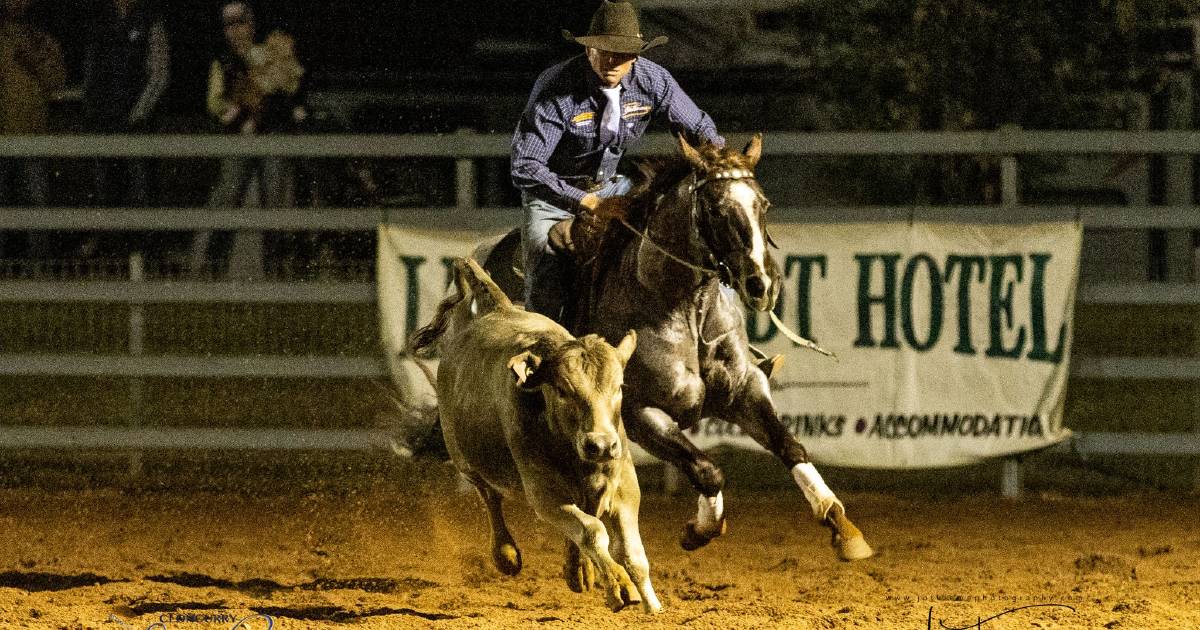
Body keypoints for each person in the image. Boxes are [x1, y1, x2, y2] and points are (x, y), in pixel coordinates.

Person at [511, 0, 724, 322]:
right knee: (546, 271)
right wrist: (588, 202)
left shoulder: (653, 80)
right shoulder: (557, 87)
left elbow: (699, 127)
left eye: (623, 54)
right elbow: (525, 165)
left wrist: (720, 160)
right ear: (588, 50)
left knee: (691, 238)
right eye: (604, 51)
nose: (613, 61)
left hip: (613, 186)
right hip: (552, 199)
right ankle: (543, 351)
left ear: (636, 56)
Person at [193, 0, 307, 279]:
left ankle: (276, 274)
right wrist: (234, 110)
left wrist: (284, 97)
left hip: (272, 137)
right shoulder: (222, 61)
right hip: (240, 139)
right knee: (229, 203)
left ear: (251, 24)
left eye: (240, 22)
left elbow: (294, 86)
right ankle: (213, 272)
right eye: (229, 24)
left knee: (273, 207)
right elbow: (213, 103)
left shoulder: (271, 52)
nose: (235, 30)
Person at [81, 0, 170, 209]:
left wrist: (138, 115)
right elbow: (90, 72)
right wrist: (91, 110)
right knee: (106, 190)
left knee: (142, 189)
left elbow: (160, 75)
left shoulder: (150, 22)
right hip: (104, 123)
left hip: (137, 125)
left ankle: (146, 238)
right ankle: (108, 239)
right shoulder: (100, 22)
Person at [0, 0, 65, 260]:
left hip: (34, 134)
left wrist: (34, 64)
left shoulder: (42, 40)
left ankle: (39, 265)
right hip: (3, 134)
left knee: (38, 203)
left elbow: (57, 80)